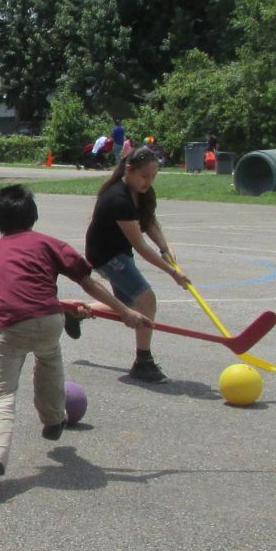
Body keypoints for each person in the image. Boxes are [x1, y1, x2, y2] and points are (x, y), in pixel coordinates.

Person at [0, 185, 147, 496]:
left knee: (1, 394)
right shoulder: (48, 243)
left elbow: (12, 293)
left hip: (13, 323)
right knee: (49, 357)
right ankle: (55, 419)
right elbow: (88, 282)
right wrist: (125, 311)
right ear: (34, 217)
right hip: (49, 319)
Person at [84, 147, 188, 383]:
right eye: (144, 177)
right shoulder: (117, 198)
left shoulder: (141, 192)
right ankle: (143, 361)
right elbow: (140, 246)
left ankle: (79, 310)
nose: (148, 183)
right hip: (106, 256)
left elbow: (148, 221)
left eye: (153, 177)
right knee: (146, 300)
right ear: (129, 170)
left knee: (128, 306)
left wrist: (165, 248)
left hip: (119, 252)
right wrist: (173, 272)